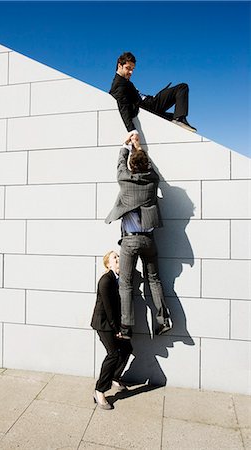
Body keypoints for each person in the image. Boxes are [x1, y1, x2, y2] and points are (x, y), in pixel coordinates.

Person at [105, 133, 172, 340]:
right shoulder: (152, 182)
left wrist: (125, 145)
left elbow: (120, 165)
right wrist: (138, 146)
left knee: (125, 283)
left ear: (132, 167)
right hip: (149, 240)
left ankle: (126, 328)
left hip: (130, 240)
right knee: (154, 279)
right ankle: (163, 321)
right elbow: (151, 170)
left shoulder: (125, 180)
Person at [109, 51, 197, 142]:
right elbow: (123, 106)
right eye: (128, 68)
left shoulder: (124, 81)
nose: (131, 72)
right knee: (182, 88)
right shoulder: (118, 84)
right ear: (120, 65)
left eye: (133, 69)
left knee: (172, 117)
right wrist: (131, 130)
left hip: (150, 102)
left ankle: (178, 119)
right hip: (150, 105)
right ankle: (180, 119)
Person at [91, 250, 133, 410]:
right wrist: (117, 330)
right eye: (114, 257)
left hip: (113, 323)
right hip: (103, 324)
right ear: (108, 264)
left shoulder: (117, 279)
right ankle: (99, 390)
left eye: (118, 257)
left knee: (127, 348)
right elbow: (108, 309)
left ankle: (115, 377)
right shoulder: (106, 280)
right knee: (113, 354)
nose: (118, 258)